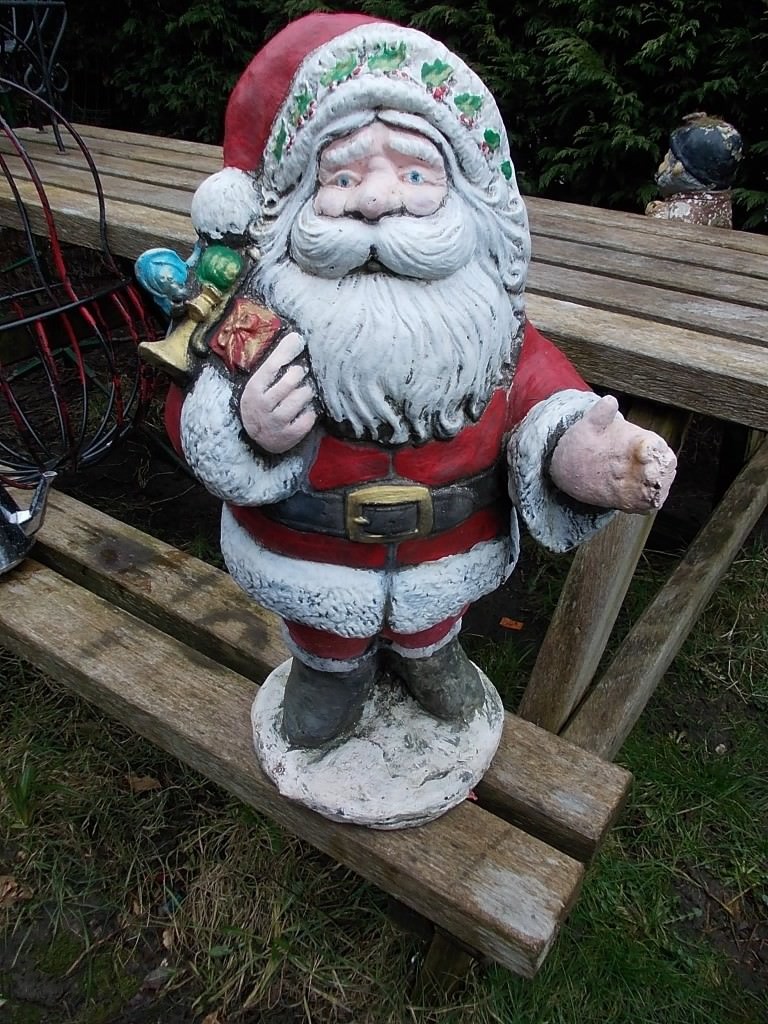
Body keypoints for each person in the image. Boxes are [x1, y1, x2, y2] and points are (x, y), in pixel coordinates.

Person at [162, 12, 677, 748]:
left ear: (466, 196)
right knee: (324, 626)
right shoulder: (251, 317)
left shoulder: (491, 326)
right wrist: (243, 428)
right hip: (312, 553)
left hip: (448, 547)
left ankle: (429, 651)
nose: (375, 201)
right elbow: (183, 406)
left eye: (412, 173)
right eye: (341, 177)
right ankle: (328, 671)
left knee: (433, 616)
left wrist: (583, 452)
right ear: (295, 200)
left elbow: (539, 393)